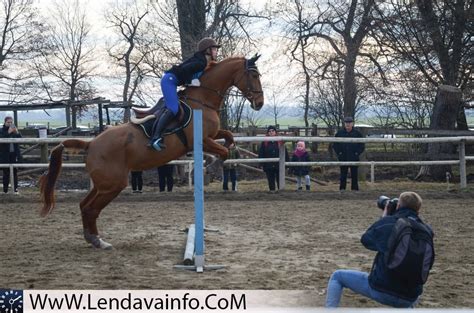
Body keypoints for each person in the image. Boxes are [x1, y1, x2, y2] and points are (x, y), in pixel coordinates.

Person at [325, 191, 433, 308]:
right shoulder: (427, 231)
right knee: (413, 294)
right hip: (409, 298)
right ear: (418, 210)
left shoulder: (391, 222)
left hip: (381, 289)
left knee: (337, 277)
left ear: (398, 206)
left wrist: (384, 217)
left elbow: (366, 240)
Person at [149, 38, 221, 151]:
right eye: (214, 49)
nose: (216, 52)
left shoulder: (203, 61)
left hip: (172, 81)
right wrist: (190, 81)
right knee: (173, 109)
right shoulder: (200, 62)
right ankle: (155, 138)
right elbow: (185, 70)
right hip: (169, 81)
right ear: (207, 50)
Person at [333, 116, 365, 191]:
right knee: (343, 174)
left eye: (349, 123)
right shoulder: (339, 133)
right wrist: (339, 153)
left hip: (354, 157)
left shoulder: (357, 134)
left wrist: (357, 153)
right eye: (346, 123)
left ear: (352, 124)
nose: (348, 124)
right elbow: (335, 144)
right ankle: (342, 189)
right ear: (344, 124)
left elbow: (362, 145)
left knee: (354, 174)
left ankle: (354, 189)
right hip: (343, 157)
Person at [258, 125, 288, 192]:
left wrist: (286, 163)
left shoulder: (280, 141)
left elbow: (285, 152)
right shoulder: (264, 142)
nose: (271, 132)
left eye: (273, 131)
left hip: (278, 164)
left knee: (279, 178)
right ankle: (272, 192)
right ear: (268, 132)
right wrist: (261, 164)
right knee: (270, 179)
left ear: (275, 132)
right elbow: (261, 153)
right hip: (268, 164)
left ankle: (281, 192)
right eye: (269, 131)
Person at [1, 116, 22, 194]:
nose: (10, 124)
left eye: (11, 122)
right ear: (5, 122)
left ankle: (15, 189)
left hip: (14, 154)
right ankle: (5, 190)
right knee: (6, 173)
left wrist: (17, 132)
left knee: (15, 172)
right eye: (8, 122)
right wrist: (8, 132)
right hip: (5, 155)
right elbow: (2, 138)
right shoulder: (1, 130)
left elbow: (21, 139)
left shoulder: (14, 131)